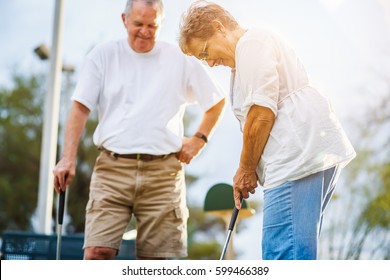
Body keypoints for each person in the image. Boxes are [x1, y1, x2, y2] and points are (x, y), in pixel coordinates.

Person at [178, 0, 356, 260]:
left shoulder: (252, 44)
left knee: (283, 255)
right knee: (292, 252)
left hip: (294, 157)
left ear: (219, 28)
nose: (209, 63)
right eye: (201, 60)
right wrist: (248, 168)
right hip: (301, 156)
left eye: (204, 53)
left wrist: (246, 169)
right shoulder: (245, 58)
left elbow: (261, 114)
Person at [53, 0, 226, 260]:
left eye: (151, 25)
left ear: (161, 24)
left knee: (154, 263)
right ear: (124, 19)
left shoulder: (179, 58)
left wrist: (199, 140)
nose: (144, 31)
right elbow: (79, 108)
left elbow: (216, 101)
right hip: (112, 170)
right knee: (97, 252)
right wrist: (67, 158)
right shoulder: (103, 55)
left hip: (163, 174)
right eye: (138, 24)